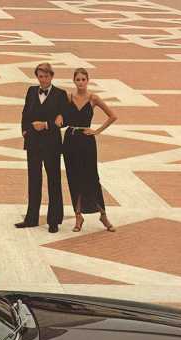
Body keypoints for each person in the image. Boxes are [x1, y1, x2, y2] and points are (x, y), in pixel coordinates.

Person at [63, 68, 117, 232]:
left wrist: (97, 131)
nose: (80, 82)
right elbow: (58, 115)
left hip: (87, 141)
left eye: (83, 79)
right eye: (78, 79)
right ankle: (78, 216)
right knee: (74, 178)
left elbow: (113, 116)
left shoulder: (93, 98)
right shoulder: (68, 97)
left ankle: (103, 215)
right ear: (74, 81)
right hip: (70, 140)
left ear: (87, 81)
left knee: (92, 177)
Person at [16, 62, 67, 233]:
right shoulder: (31, 91)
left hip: (51, 144)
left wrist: (46, 124)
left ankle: (54, 221)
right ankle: (31, 219)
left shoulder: (60, 94)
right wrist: (25, 131)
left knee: (54, 181)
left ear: (51, 76)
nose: (43, 79)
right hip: (33, 142)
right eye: (40, 76)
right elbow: (25, 113)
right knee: (34, 180)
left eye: (46, 76)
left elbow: (64, 120)